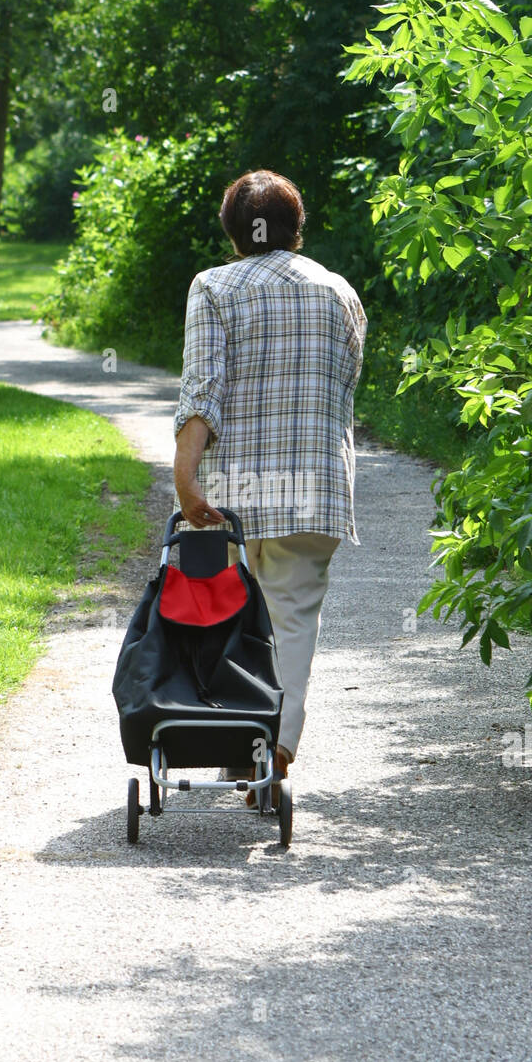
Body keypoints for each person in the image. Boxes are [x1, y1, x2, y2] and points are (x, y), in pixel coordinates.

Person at [173, 169, 367, 805]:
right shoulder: (339, 292)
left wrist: (185, 475)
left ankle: (244, 742)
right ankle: (272, 747)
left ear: (234, 231)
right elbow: (340, 390)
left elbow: (204, 391)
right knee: (292, 621)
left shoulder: (214, 288)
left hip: (235, 493)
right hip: (316, 491)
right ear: (297, 228)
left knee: (231, 619)